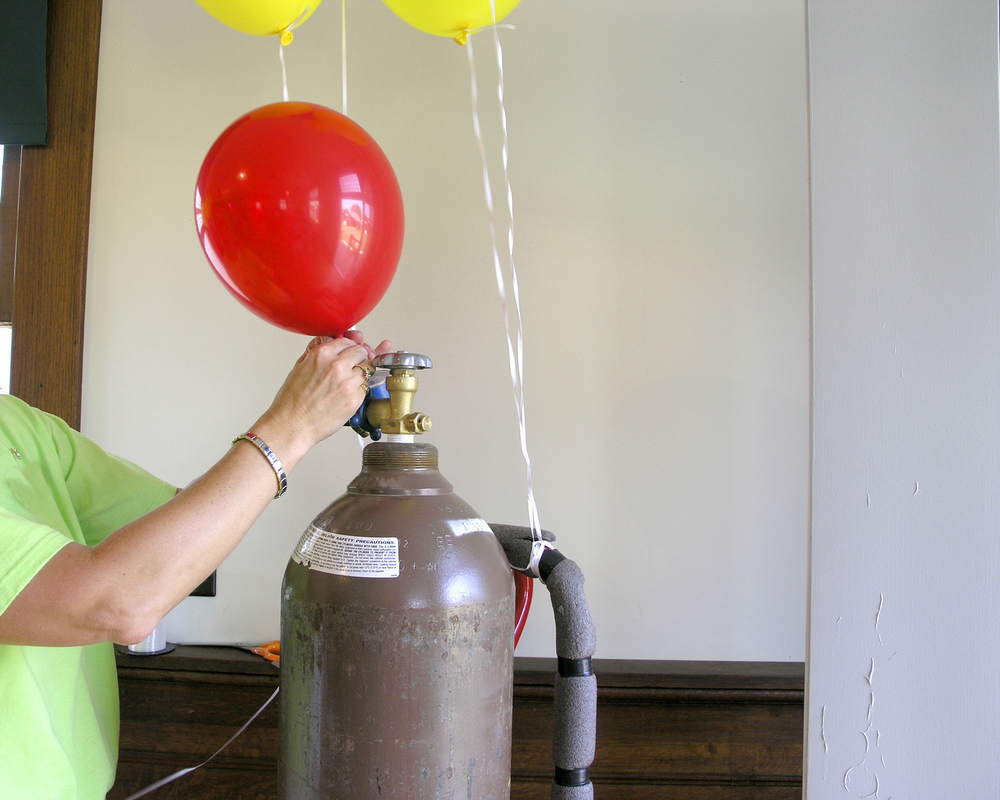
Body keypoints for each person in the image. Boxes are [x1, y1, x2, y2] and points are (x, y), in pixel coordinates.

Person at [0, 330, 391, 800]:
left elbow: (187, 536)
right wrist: (291, 426)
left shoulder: (16, 426)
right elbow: (118, 603)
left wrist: (312, 402)